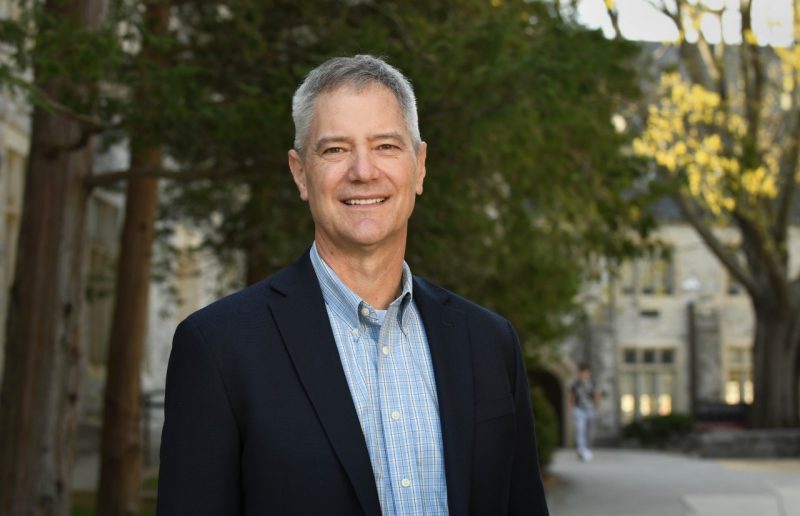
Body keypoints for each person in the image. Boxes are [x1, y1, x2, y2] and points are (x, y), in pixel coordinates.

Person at [157, 55, 549, 516]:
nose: (363, 171)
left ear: (419, 166)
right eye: (335, 150)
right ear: (300, 172)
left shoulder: (489, 343)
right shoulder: (219, 347)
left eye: (386, 146)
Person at [568, 363, 601, 461]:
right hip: (579, 409)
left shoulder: (593, 383)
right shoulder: (575, 384)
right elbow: (571, 397)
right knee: (580, 428)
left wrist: (597, 408)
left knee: (590, 430)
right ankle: (581, 449)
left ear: (589, 374)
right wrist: (572, 408)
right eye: (582, 373)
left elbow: (597, 396)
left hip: (591, 409)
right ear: (579, 374)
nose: (584, 375)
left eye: (586, 373)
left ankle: (587, 448)